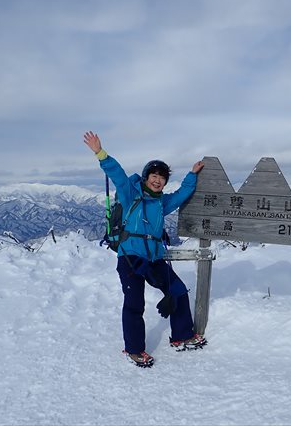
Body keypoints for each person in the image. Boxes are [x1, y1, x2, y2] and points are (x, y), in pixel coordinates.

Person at [83, 131, 206, 368]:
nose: (157, 181)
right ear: (146, 177)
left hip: (154, 259)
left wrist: (192, 175)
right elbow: (118, 176)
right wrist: (100, 153)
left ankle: (182, 335)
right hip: (130, 258)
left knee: (178, 291)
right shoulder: (131, 195)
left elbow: (181, 195)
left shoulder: (161, 203)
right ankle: (134, 350)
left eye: (162, 178)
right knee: (134, 304)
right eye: (154, 176)